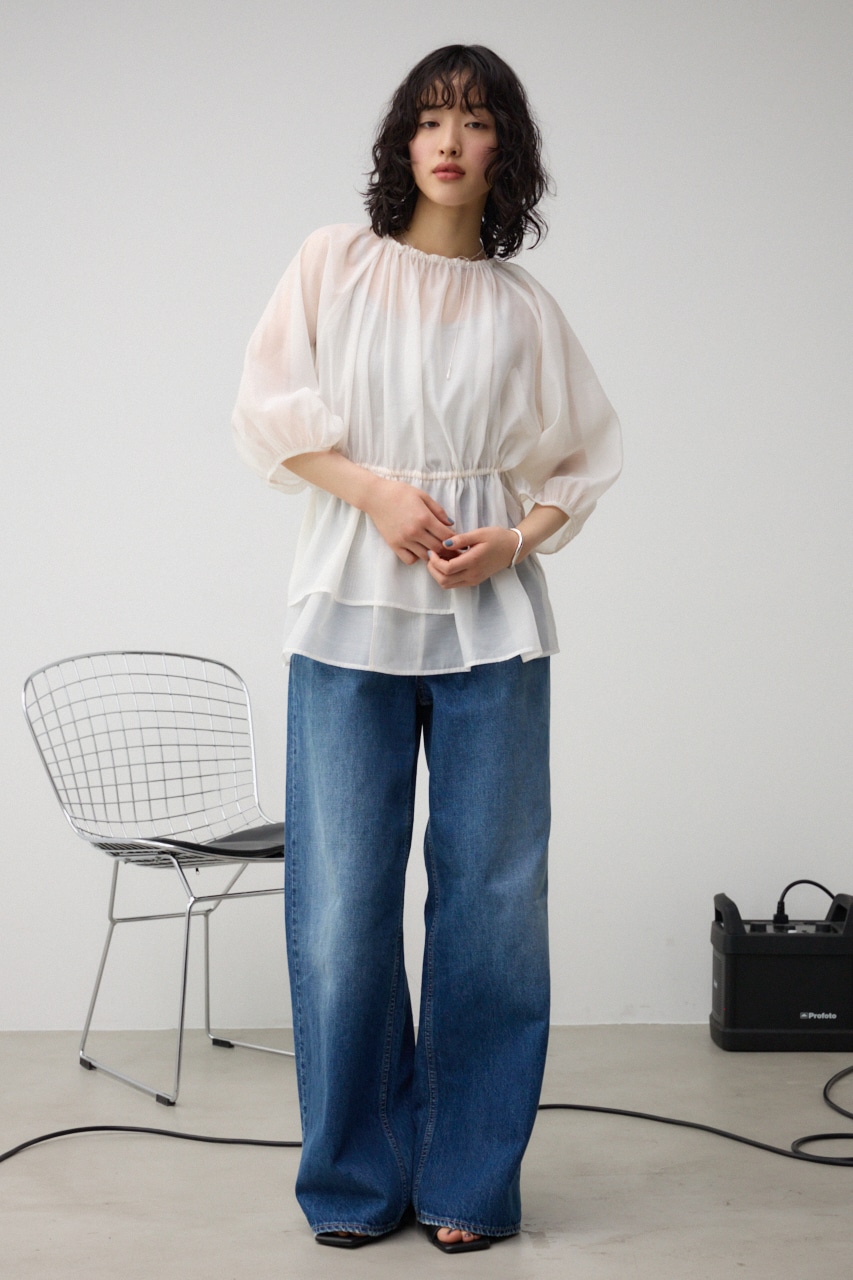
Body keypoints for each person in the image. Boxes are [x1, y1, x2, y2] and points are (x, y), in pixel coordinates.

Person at [232, 44, 621, 1254]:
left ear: (506, 151)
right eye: (432, 117)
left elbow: (583, 458)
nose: (451, 139)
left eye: (477, 119)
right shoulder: (332, 262)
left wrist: (514, 538)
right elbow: (266, 410)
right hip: (345, 616)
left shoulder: (523, 307)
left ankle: (465, 1179)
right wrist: (375, 494)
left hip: (491, 629)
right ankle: (356, 1178)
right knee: (343, 906)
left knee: (492, 907)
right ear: (403, 141)